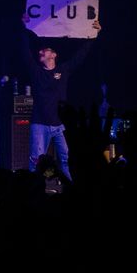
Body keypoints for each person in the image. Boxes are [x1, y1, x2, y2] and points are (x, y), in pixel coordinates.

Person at [21, 14, 102, 180]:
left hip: (60, 126)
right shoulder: (37, 72)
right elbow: (25, 52)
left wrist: (93, 36)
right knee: (37, 162)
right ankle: (34, 191)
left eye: (45, 50)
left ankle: (71, 188)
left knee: (67, 159)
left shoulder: (63, 70)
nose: (40, 52)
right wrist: (24, 28)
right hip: (40, 124)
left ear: (54, 55)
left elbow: (79, 57)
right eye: (40, 51)